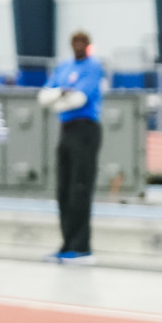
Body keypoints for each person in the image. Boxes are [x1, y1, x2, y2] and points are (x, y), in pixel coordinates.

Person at [39, 31, 105, 263]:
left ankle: (81, 247)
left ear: (88, 45)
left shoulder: (93, 68)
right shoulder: (64, 68)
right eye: (74, 42)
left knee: (80, 188)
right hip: (66, 130)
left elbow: (79, 99)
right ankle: (66, 243)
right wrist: (61, 95)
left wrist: (59, 98)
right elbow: (44, 97)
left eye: (82, 42)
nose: (78, 46)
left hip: (85, 130)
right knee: (63, 189)